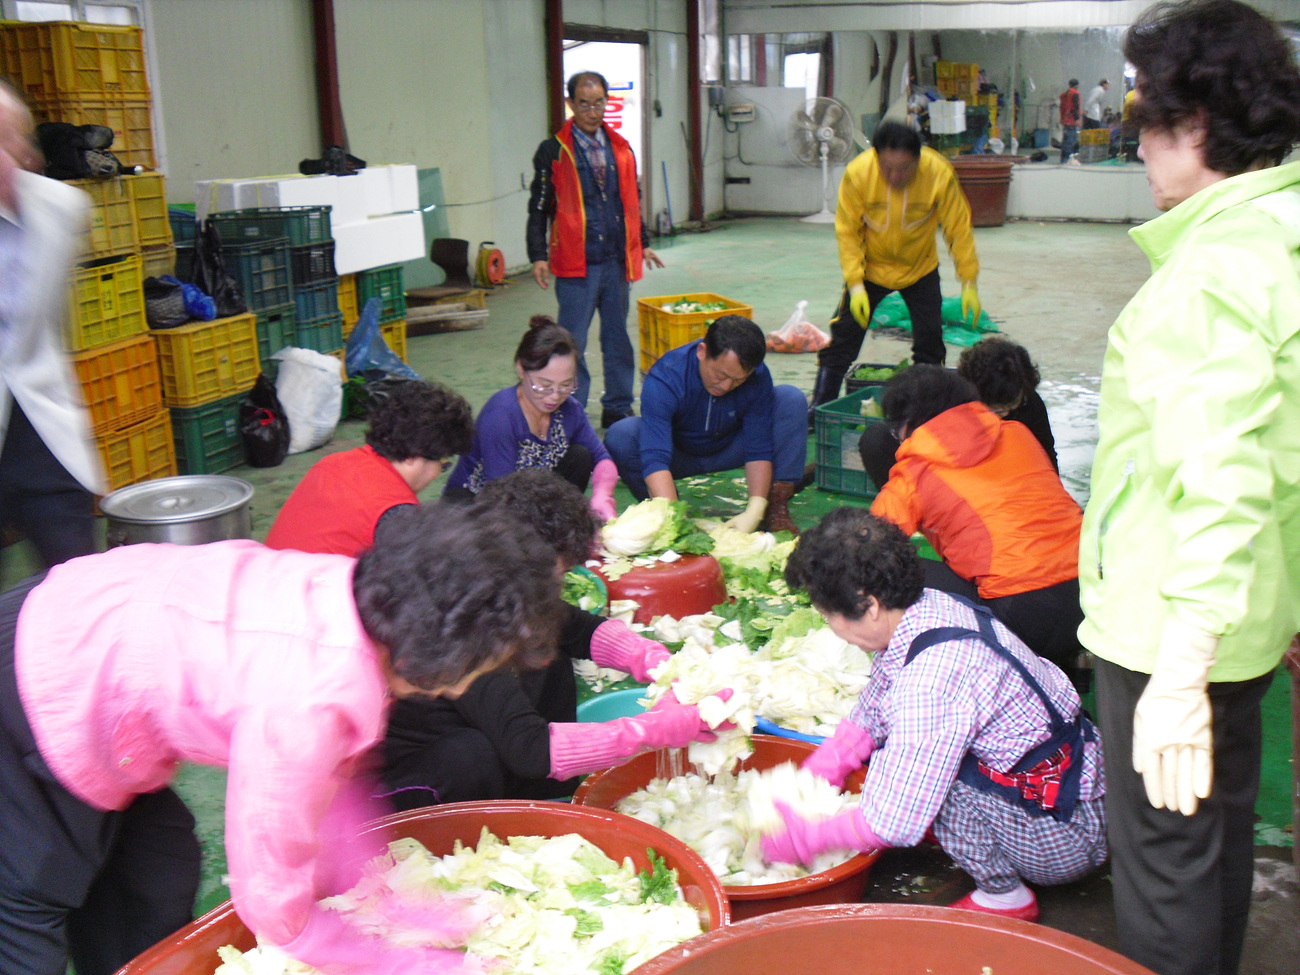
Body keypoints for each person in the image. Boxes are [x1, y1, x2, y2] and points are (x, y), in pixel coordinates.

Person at [0, 501, 565, 975]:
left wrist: (404, 911)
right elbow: (273, 903)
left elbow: (335, 793)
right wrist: (411, 964)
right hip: (41, 679)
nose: (473, 683)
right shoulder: (307, 698)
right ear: (450, 652)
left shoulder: (362, 604)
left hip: (95, 635)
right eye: (487, 664)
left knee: (154, 875)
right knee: (34, 896)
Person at [1076, 3, 1300, 973]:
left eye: (1144, 122)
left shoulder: (1205, 275)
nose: (1139, 149)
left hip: (1169, 625)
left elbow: (1219, 481)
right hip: (1247, 617)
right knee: (1215, 841)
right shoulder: (1280, 238)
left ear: (1195, 125)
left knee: (1163, 864)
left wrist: (1174, 677)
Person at [763, 509, 1107, 922]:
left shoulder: (933, 681)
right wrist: (832, 759)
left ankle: (1004, 896)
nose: (829, 625)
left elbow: (894, 821)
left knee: (926, 776)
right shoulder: (928, 608)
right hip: (1077, 793)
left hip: (1065, 835)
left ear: (867, 606)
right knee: (913, 756)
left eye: (827, 614)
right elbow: (878, 698)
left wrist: (806, 841)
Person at [385, 469, 724, 807]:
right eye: (555, 577)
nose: (556, 590)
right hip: (415, 775)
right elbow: (531, 750)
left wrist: (656, 662)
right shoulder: (466, 626)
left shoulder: (501, 591)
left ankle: (545, 795)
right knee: (470, 758)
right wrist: (650, 730)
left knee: (550, 652)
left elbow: (579, 628)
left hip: (493, 732)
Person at [867, 365, 1088, 691]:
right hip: (1089, 602)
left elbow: (865, 551)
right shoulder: (1017, 433)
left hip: (1021, 616)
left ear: (906, 424)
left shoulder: (915, 472)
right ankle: (1069, 659)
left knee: (885, 569)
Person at [0, 80, 106, 573]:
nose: (12, 153)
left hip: (40, 420)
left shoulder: (61, 209)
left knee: (76, 572)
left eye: (14, 138)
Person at [809, 121, 981, 412]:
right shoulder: (858, 174)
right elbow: (847, 231)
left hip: (920, 268)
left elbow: (958, 228)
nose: (895, 175)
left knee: (931, 345)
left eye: (904, 168)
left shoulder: (938, 172)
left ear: (918, 158)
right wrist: (855, 283)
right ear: (875, 157)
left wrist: (969, 282)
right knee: (843, 338)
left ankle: (928, 411)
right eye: (886, 167)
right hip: (871, 269)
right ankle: (820, 406)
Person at [526, 71, 663, 430]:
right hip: (576, 264)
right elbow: (539, 207)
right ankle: (571, 412)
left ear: (607, 102)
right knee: (572, 342)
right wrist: (538, 254)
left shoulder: (621, 148)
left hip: (616, 262)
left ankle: (618, 406)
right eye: (584, 103)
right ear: (571, 104)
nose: (592, 110)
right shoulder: (553, 150)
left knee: (618, 338)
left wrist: (643, 243)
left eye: (598, 102)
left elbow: (632, 201)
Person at [604, 315, 808, 534]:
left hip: (730, 446)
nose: (727, 386)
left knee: (790, 399)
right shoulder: (666, 377)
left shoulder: (757, 376)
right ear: (702, 352)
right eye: (721, 375)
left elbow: (758, 447)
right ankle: (663, 513)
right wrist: (676, 521)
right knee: (622, 435)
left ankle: (775, 507)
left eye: (738, 380)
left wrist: (755, 509)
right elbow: (655, 457)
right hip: (679, 454)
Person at [265, 380, 474, 555]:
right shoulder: (395, 512)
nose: (438, 473)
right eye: (442, 464)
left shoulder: (332, 463)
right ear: (414, 456)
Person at [443, 315, 619, 521]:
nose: (555, 396)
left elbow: (602, 459)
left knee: (580, 456)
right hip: (479, 503)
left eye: (566, 385)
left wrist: (602, 496)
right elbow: (502, 496)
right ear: (521, 369)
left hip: (530, 498)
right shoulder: (501, 416)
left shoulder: (570, 410)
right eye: (544, 385)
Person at [859, 336, 1058, 491]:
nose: (1004, 414)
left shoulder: (1028, 404)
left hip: (998, 487)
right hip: (945, 479)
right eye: (995, 409)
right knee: (876, 438)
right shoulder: (942, 399)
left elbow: (1047, 457)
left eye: (1011, 406)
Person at [1058, 79, 1081, 163]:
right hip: (1072, 121)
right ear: (1076, 85)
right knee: (1071, 141)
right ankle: (1067, 159)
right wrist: (1077, 119)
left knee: (1065, 140)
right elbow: (1075, 107)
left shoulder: (1064, 95)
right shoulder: (1075, 94)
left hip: (1065, 120)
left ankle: (1063, 158)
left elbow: (1062, 108)